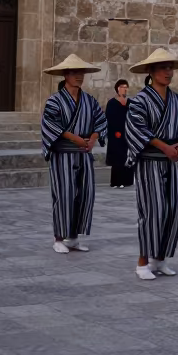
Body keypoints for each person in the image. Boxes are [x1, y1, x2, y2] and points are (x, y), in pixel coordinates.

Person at [125, 48, 178, 280]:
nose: (168, 72)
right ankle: (142, 261)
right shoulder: (139, 101)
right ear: (151, 71)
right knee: (152, 209)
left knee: (174, 209)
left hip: (173, 161)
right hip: (150, 162)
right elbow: (137, 128)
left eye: (170, 68)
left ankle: (160, 258)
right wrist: (163, 146)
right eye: (163, 68)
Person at [41, 54, 107, 254]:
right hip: (63, 153)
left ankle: (74, 237)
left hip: (84, 153)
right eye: (75, 72)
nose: (79, 76)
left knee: (85, 194)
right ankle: (58, 237)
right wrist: (74, 138)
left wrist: (94, 137)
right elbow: (50, 124)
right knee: (64, 193)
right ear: (65, 75)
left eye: (81, 72)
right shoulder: (54, 101)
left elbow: (100, 121)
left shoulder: (90, 100)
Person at [105, 79, 134, 187]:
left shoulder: (130, 103)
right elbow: (109, 119)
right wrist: (115, 132)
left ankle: (127, 181)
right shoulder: (112, 103)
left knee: (128, 156)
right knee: (118, 157)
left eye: (126, 87)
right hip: (116, 135)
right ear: (118, 88)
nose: (125, 89)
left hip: (128, 134)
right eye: (123, 87)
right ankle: (117, 181)